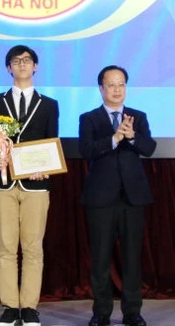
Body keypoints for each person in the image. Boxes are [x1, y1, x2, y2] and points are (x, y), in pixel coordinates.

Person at [0, 45, 59, 326]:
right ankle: (9, 307)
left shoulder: (49, 104)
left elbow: (52, 143)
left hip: (36, 186)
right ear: (9, 68)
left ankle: (29, 307)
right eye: (16, 61)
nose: (22, 65)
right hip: (1, 184)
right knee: (4, 247)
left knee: (32, 248)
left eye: (27, 60)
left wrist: (45, 168)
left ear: (35, 66)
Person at [79, 66, 156, 326]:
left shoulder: (138, 116)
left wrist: (132, 137)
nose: (116, 89)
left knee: (132, 258)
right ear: (101, 88)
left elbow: (150, 148)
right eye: (111, 85)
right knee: (100, 258)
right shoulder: (89, 118)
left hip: (133, 198)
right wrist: (114, 138)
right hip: (100, 199)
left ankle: (132, 312)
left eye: (121, 84)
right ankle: (101, 313)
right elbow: (86, 150)